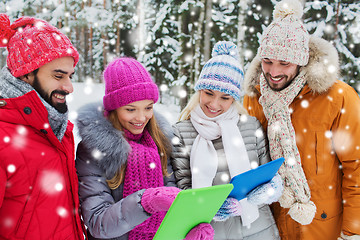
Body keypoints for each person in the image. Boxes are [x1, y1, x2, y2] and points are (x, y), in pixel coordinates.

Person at [242, 0, 360, 239]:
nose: (273, 72)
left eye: (284, 63)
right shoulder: (255, 98)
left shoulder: (338, 97)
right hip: (270, 226)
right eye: (267, 61)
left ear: (301, 60)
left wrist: (352, 231)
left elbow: (356, 168)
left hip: (322, 226)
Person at [75, 57, 213, 240]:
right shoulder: (93, 150)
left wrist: (186, 231)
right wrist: (145, 202)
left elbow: (172, 204)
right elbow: (98, 223)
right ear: (114, 108)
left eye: (148, 107)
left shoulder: (160, 141)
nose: (141, 117)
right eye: (131, 109)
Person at [171, 41, 282, 240]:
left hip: (257, 231)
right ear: (199, 91)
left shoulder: (251, 126)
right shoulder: (181, 133)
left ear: (234, 99)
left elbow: (269, 173)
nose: (214, 104)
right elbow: (181, 190)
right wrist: (211, 206)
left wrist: (271, 189)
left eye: (225, 97)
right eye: (209, 93)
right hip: (210, 233)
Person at [0, 14, 85, 239]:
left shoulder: (59, 129)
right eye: (58, 76)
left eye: (70, 76)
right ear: (26, 74)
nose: (69, 87)